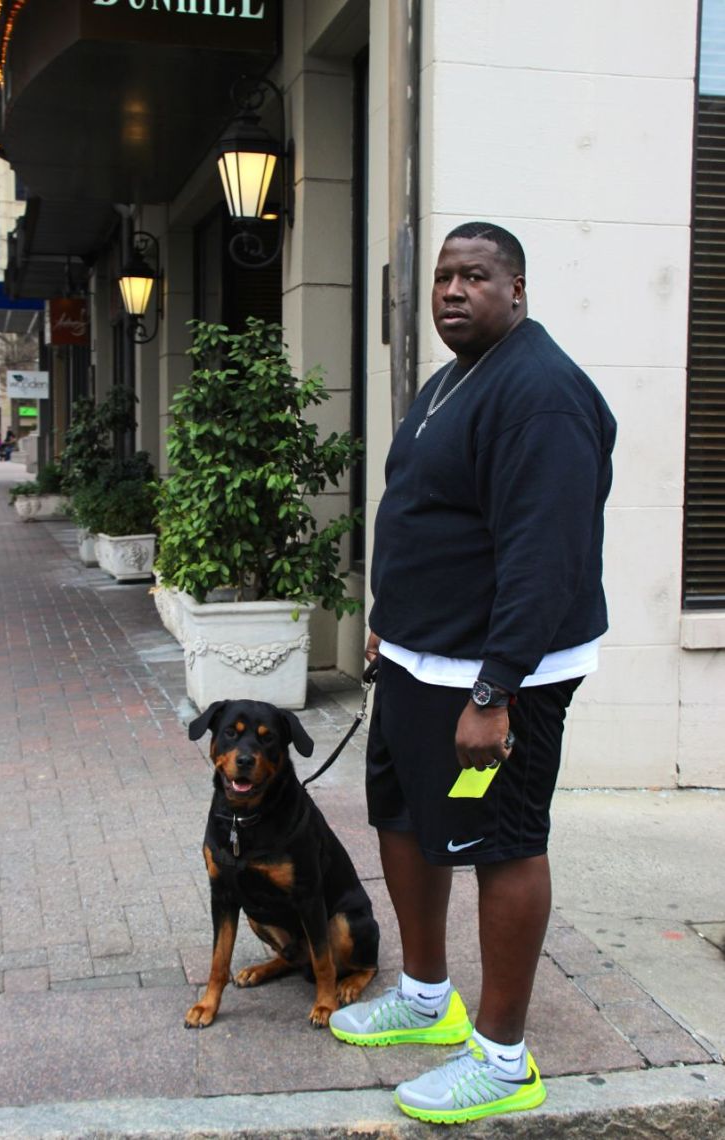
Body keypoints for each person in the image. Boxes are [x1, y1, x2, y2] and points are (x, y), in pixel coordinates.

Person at [329, 222, 617, 1126]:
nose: (452, 290)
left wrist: (495, 691)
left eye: (475, 276)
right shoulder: (454, 379)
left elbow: (545, 555)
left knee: (499, 841)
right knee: (408, 817)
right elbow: (423, 512)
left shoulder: (542, 395)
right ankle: (425, 997)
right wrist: (388, 625)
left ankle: (501, 1057)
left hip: (494, 679)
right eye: (443, 277)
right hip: (422, 658)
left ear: (517, 288)